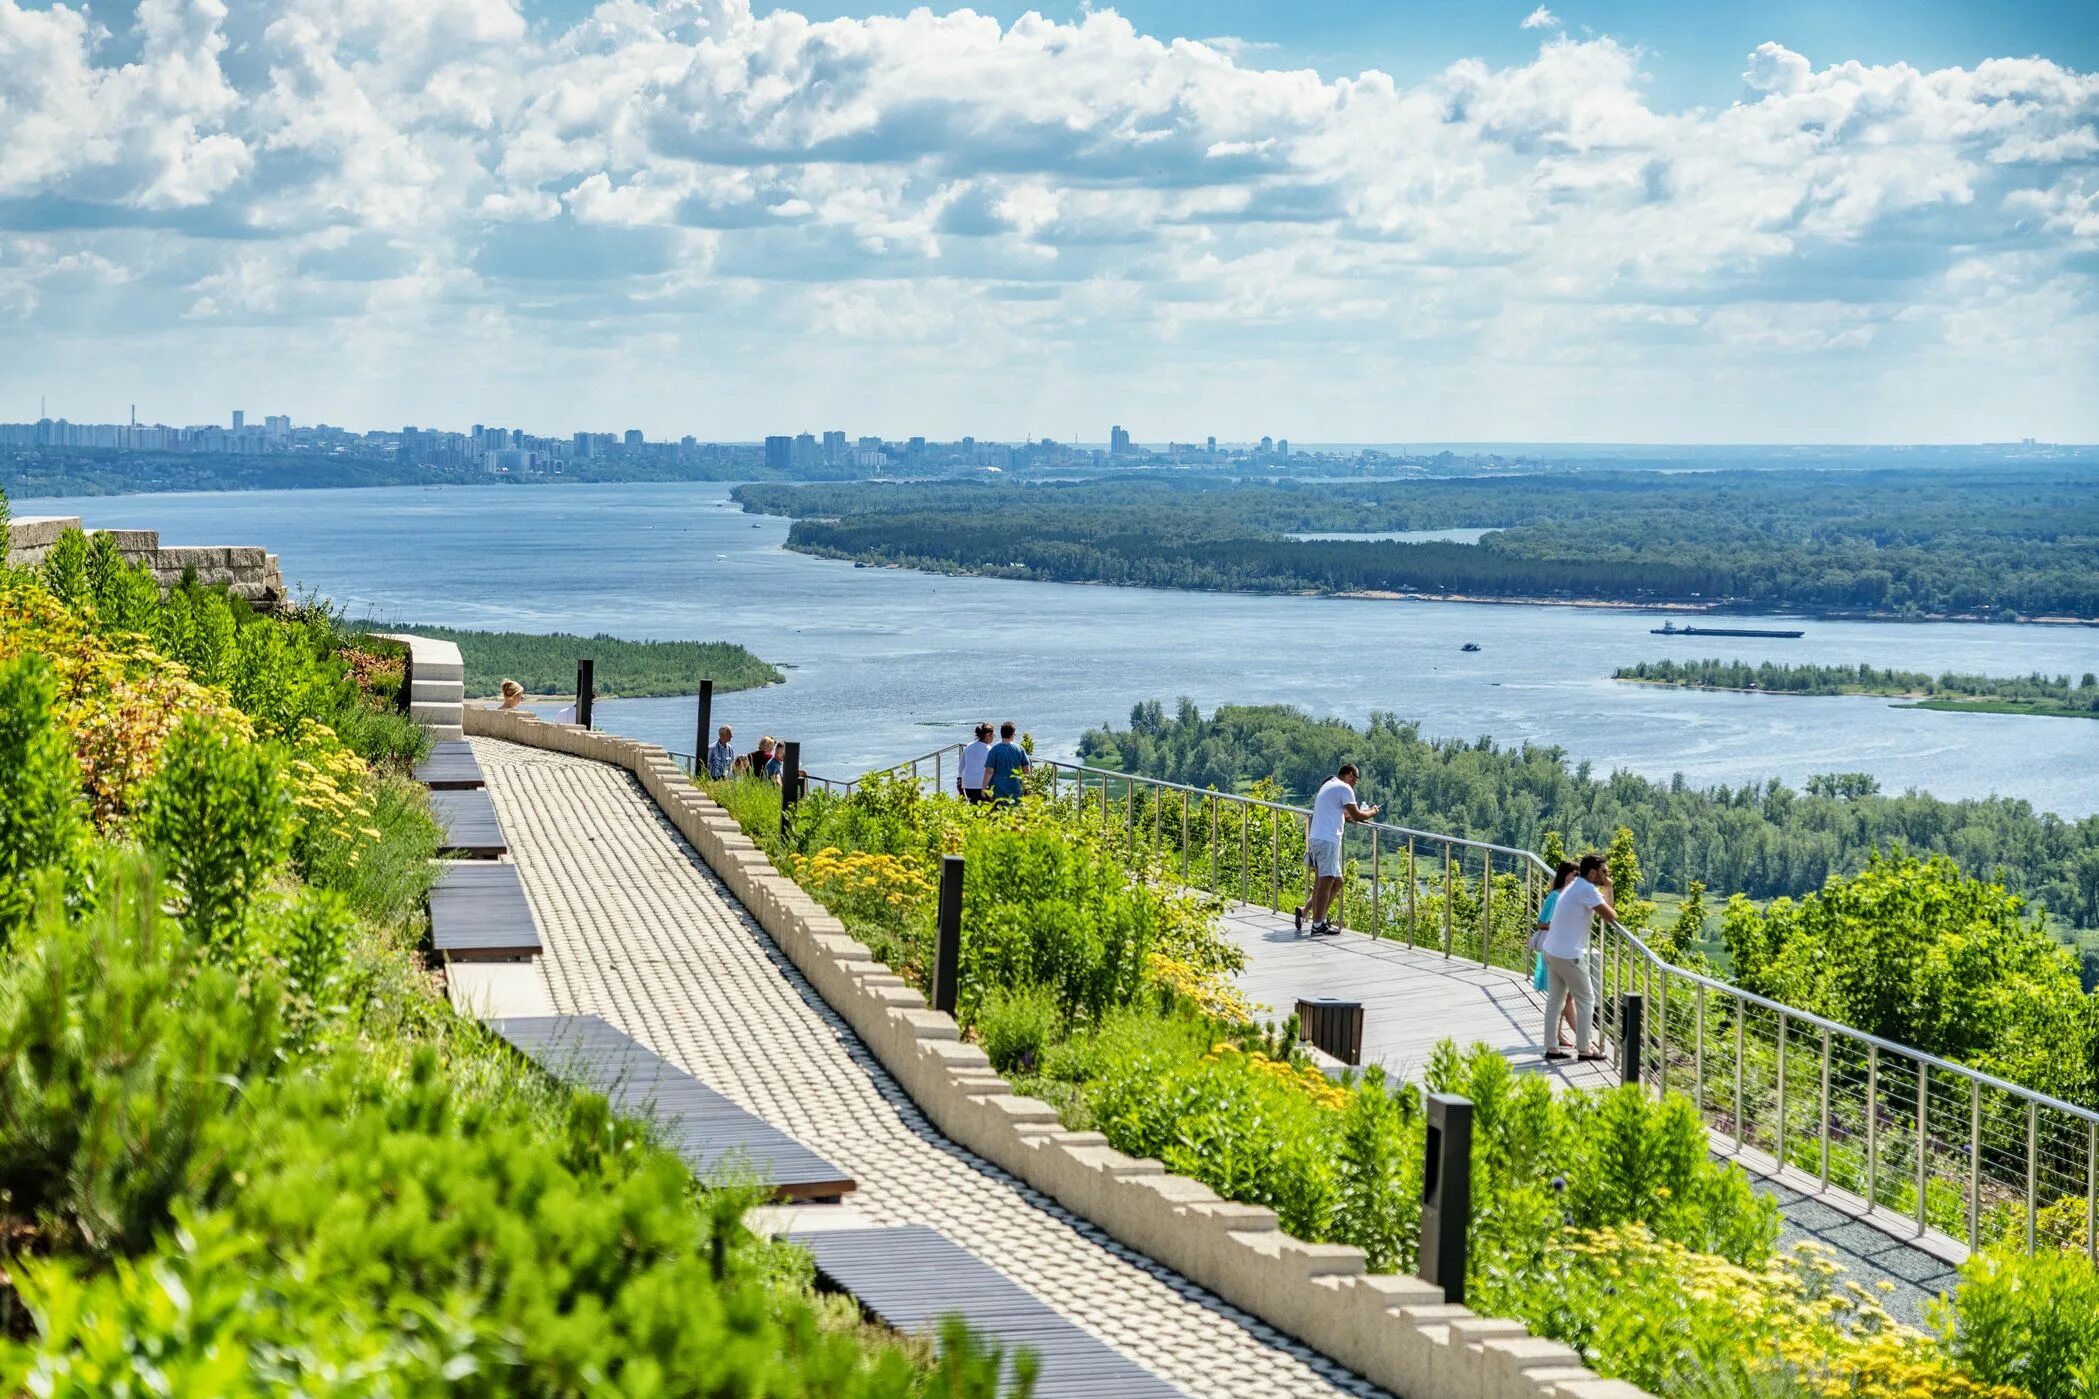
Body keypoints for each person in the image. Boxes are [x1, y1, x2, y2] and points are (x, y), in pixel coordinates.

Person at [1540, 853, 1616, 1062]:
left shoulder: (1575, 886)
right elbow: (1610, 916)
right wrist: (1609, 888)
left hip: (1552, 950)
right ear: (1593, 872)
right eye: (1604, 872)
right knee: (1587, 999)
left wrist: (1606, 888)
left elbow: (1606, 909)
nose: (1606, 875)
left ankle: (1551, 1048)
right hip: (1567, 954)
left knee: (1556, 1000)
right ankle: (1585, 1049)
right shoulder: (1586, 889)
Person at [1294, 763, 1378, 936]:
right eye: (1355, 780)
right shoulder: (1343, 787)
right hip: (1328, 840)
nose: (1354, 784)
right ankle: (1318, 924)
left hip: (1318, 837)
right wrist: (1372, 812)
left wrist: (1355, 816)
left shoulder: (1329, 784)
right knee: (1326, 881)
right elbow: (1356, 815)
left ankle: (1309, 913)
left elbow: (1343, 815)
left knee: (1336, 881)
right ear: (1349, 775)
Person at [1530, 861, 1579, 1050]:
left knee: (1564, 997)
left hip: (1563, 949)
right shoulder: (1555, 896)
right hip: (1554, 949)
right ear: (1565, 875)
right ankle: (1575, 1037)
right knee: (1562, 997)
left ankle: (1563, 1036)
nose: (1576, 879)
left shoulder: (1568, 897)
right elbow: (1541, 923)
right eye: (1574, 874)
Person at [986, 722, 1030, 805]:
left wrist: (983, 787)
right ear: (1012, 734)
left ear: (1001, 734)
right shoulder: (1019, 749)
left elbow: (989, 771)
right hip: (1016, 788)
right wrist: (1027, 786)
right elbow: (1026, 769)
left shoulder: (994, 750)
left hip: (998, 789)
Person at [958, 723, 993, 804]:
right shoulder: (989, 749)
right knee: (986, 809)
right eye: (992, 735)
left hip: (968, 783)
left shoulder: (969, 746)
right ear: (987, 735)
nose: (993, 737)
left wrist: (959, 779)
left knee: (973, 807)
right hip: (982, 784)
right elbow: (991, 770)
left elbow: (961, 766)